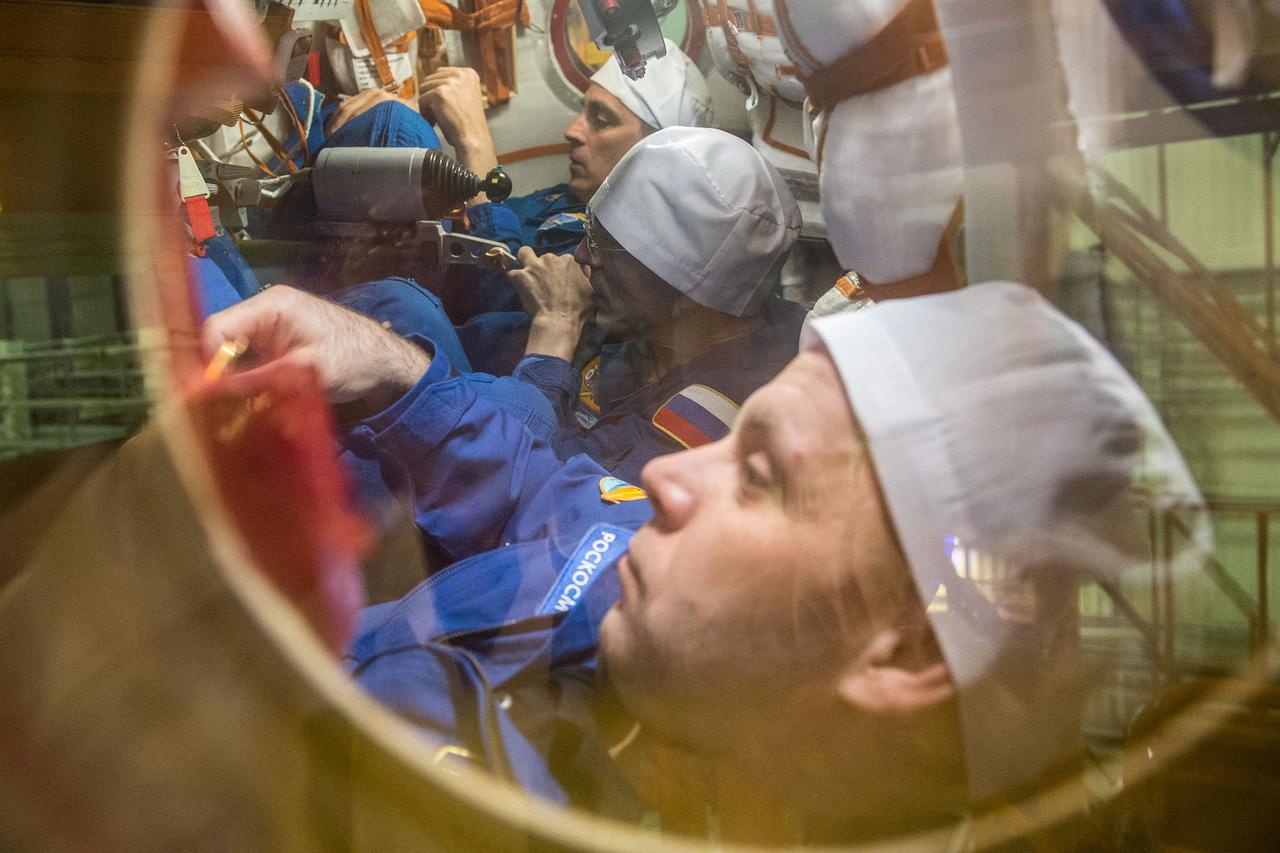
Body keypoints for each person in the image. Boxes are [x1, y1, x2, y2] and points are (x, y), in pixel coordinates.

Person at [202, 276, 1203, 842]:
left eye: (763, 475)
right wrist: (390, 369)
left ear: (901, 657)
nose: (671, 483)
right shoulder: (668, 602)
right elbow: (550, 493)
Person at [506, 127, 806, 483]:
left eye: (603, 244)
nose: (582, 255)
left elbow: (517, 484)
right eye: (589, 231)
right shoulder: (651, 327)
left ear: (686, 288)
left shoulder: (694, 427)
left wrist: (554, 329)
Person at [422, 40, 713, 373]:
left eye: (600, 120)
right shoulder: (566, 196)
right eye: (583, 111)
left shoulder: (620, 258)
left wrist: (473, 142)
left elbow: (497, 296)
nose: (572, 130)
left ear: (654, 151)